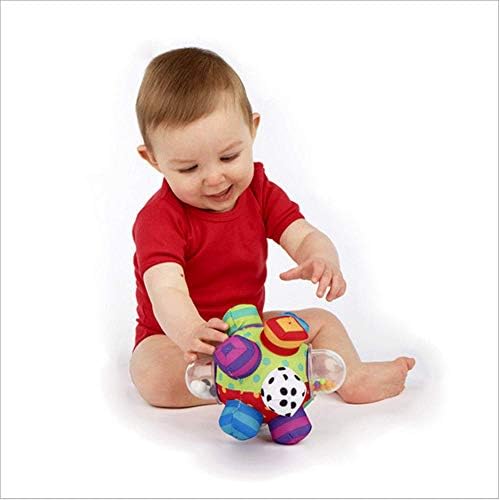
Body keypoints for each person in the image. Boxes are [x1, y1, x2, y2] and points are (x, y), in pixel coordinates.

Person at [129, 47, 415, 408]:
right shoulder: (159, 219)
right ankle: (270, 379)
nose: (214, 178)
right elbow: (165, 288)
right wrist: (191, 331)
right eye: (189, 169)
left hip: (249, 333)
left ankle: (351, 377)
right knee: (152, 373)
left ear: (252, 129)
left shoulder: (259, 192)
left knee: (322, 322)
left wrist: (320, 258)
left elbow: (304, 234)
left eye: (229, 157)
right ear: (153, 159)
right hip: (179, 341)